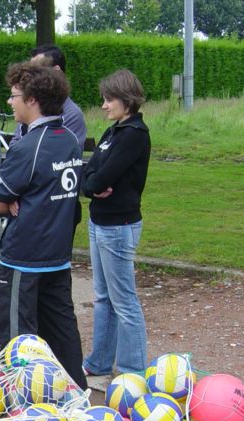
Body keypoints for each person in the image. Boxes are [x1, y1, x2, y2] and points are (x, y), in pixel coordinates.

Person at [0, 62, 88, 390]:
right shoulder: (70, 139)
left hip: (23, 259)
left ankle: (22, 410)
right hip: (58, 255)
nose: (9, 101)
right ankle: (77, 396)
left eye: (14, 95)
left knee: (17, 340)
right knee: (62, 331)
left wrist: (19, 200)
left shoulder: (25, 147)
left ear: (32, 100)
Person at [81, 69, 151, 376]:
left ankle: (132, 371)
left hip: (118, 227)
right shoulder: (113, 133)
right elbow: (90, 172)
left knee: (124, 302)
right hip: (99, 222)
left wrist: (95, 182)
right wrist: (92, 184)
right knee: (102, 298)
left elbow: (104, 176)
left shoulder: (134, 135)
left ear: (126, 100)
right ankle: (99, 362)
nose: (104, 105)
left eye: (109, 100)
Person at [11, 44, 87, 150]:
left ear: (56, 71)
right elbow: (15, 145)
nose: (30, 76)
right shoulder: (32, 107)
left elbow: (57, 154)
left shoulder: (71, 114)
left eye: (38, 71)